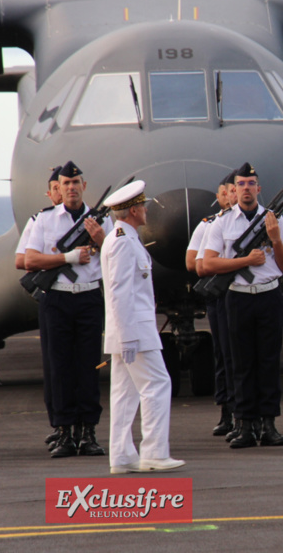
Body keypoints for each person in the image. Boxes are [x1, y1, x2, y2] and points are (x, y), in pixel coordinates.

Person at [203, 163, 283, 449]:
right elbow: (208, 263)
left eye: (250, 184)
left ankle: (268, 424)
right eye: (241, 184)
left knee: (268, 361)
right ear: (234, 189)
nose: (246, 189)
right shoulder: (222, 222)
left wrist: (275, 239)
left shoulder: (274, 220)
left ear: (258, 188)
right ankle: (244, 424)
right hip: (238, 296)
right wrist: (245, 261)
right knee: (241, 363)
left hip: (268, 295)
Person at [24, 162, 111, 459]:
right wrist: (68, 257)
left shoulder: (100, 221)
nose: (71, 187)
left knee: (88, 366)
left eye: (76, 183)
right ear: (58, 189)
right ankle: (64, 432)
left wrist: (100, 239)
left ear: (84, 186)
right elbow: (31, 260)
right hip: (57, 299)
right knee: (60, 367)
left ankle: (88, 432)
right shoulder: (45, 219)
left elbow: (117, 255)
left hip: (89, 298)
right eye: (66, 183)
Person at [101, 180, 185, 474]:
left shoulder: (123, 238)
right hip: (134, 331)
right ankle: (154, 453)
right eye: (142, 205)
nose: (146, 209)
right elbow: (120, 292)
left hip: (130, 330)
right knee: (157, 385)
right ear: (133, 211)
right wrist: (127, 338)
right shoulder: (123, 242)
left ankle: (122, 456)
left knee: (125, 395)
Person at [15, 166, 62, 449]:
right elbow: (22, 260)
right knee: (54, 366)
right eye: (55, 188)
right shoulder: (40, 220)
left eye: (64, 186)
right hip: (52, 292)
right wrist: (55, 259)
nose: (60, 193)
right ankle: (58, 423)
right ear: (49, 193)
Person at [186, 171, 236, 436]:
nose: (230, 196)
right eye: (226, 192)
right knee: (224, 354)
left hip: (245, 293)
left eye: (233, 190)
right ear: (219, 196)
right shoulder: (209, 225)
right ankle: (227, 410)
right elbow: (193, 263)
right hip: (220, 295)